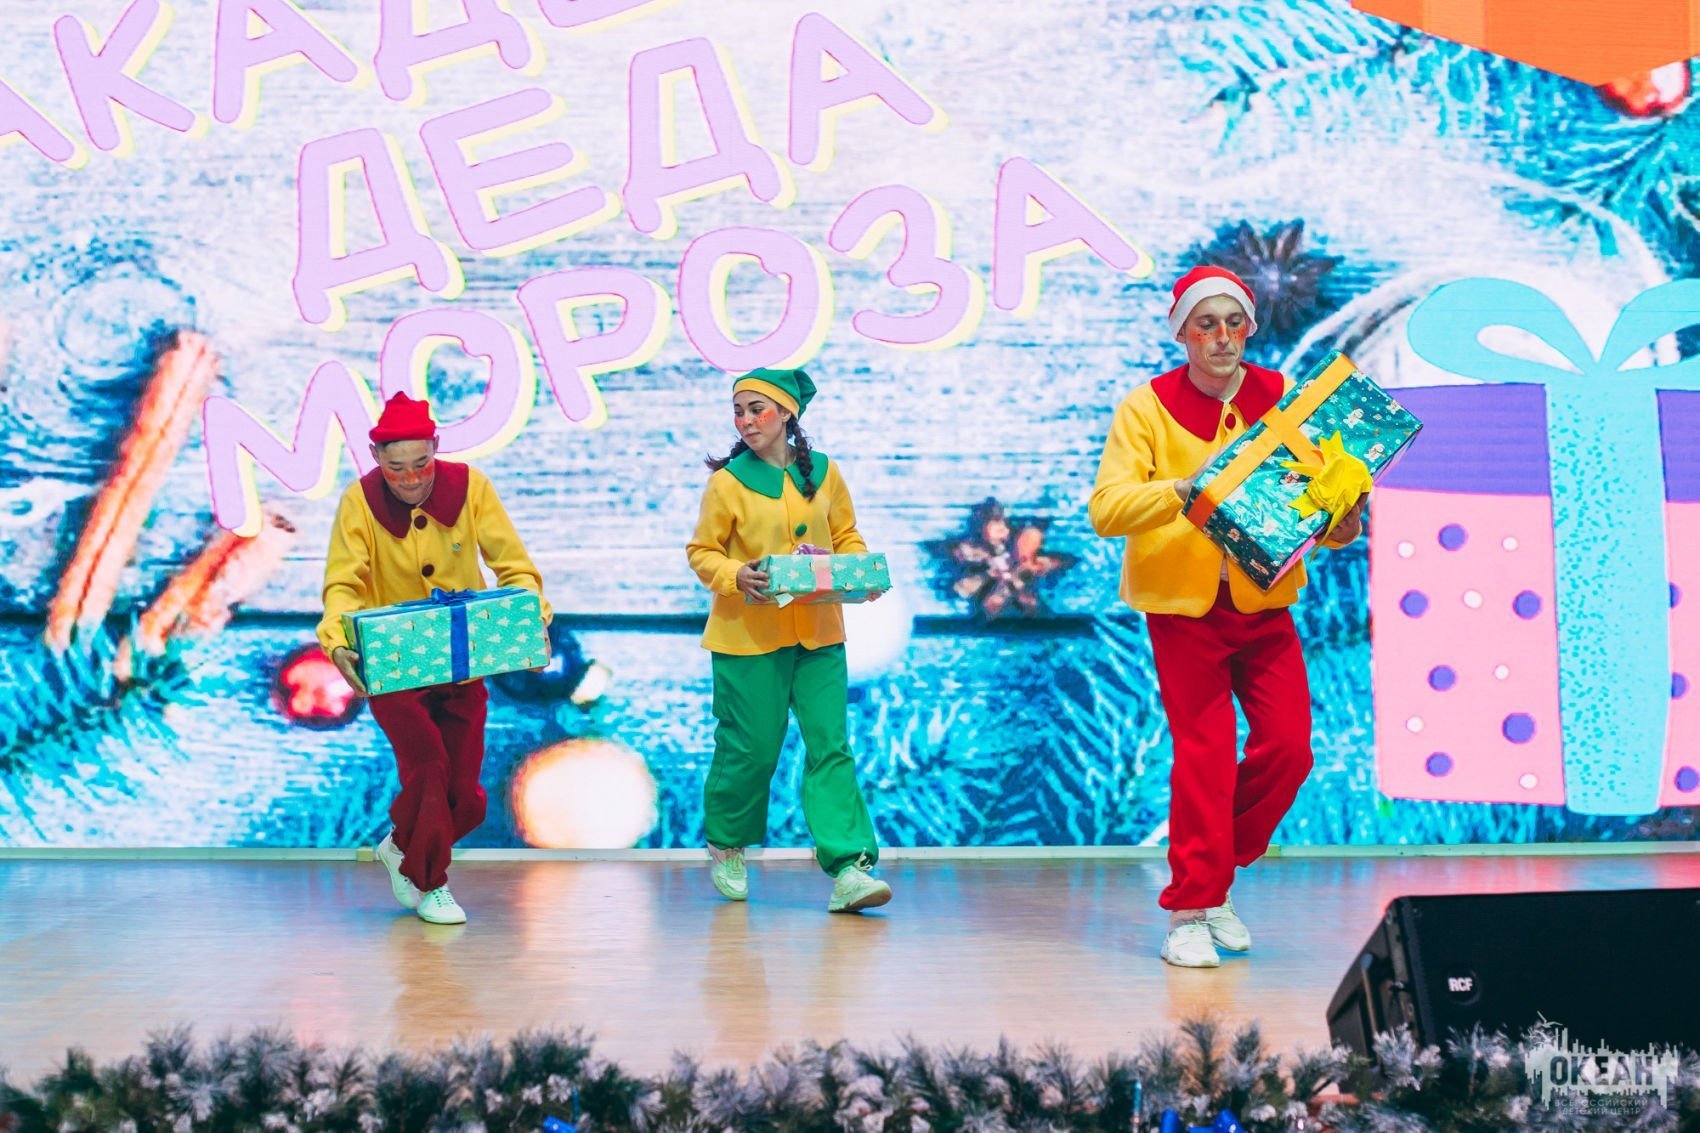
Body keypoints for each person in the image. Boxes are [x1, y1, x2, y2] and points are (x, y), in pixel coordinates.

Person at [1089, 266, 1364, 967]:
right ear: (1181, 334)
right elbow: (1106, 510)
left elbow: (1318, 506)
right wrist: (1182, 490)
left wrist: (1343, 516)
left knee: (1290, 748)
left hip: (1262, 603)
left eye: (1233, 322)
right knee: (1204, 757)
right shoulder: (1146, 408)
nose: (1221, 337)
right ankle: (1191, 907)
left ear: (1250, 328)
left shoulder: (1283, 397)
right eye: (1205, 324)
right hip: (1183, 611)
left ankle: (1213, 876)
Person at [319, 392, 551, 925]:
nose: (410, 479)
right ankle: (431, 884)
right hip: (392, 664)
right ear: (376, 457)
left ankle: (401, 845)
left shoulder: (471, 489)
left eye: (421, 464)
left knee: (466, 799)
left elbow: (515, 567)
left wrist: (531, 621)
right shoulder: (359, 501)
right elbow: (343, 582)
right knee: (427, 769)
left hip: (463, 661)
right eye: (396, 468)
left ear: (436, 449)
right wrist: (337, 640)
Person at [685, 368, 892, 914]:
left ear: (786, 414)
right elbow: (703, 551)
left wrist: (858, 572)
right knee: (750, 749)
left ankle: (849, 867)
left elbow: (845, 535)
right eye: (739, 411)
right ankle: (727, 843)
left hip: (819, 634)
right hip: (747, 637)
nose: (746, 421)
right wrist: (734, 575)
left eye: (757, 409)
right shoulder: (728, 482)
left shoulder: (824, 472)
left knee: (830, 746)